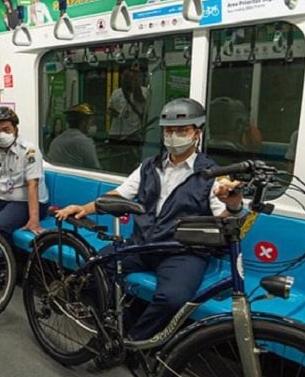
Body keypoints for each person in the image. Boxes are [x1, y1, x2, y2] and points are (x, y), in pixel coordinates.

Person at [56, 99, 243, 345]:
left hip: (182, 252)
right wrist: (85, 207)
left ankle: (133, 341)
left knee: (173, 298)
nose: (174, 136)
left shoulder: (212, 175)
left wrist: (233, 204)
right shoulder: (148, 167)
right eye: (169, 130)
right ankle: (109, 327)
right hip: (142, 243)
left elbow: (225, 221)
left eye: (182, 130)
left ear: (197, 132)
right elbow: (119, 195)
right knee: (96, 267)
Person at [0, 107, 49, 251]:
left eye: (6, 129)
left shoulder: (29, 150)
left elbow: (33, 185)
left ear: (15, 129)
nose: (1, 134)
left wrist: (34, 220)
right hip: (3, 198)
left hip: (26, 201)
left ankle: (11, 266)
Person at [108, 63, 149, 166]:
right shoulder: (116, 93)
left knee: (131, 162)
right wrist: (114, 113)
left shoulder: (144, 91)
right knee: (115, 162)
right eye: (125, 78)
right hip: (116, 132)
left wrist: (135, 83)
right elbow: (109, 109)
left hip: (133, 133)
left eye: (130, 79)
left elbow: (140, 99)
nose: (127, 81)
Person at [47, 103, 100, 170]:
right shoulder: (85, 142)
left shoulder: (57, 140)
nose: (92, 126)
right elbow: (95, 169)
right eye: (91, 122)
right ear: (83, 122)